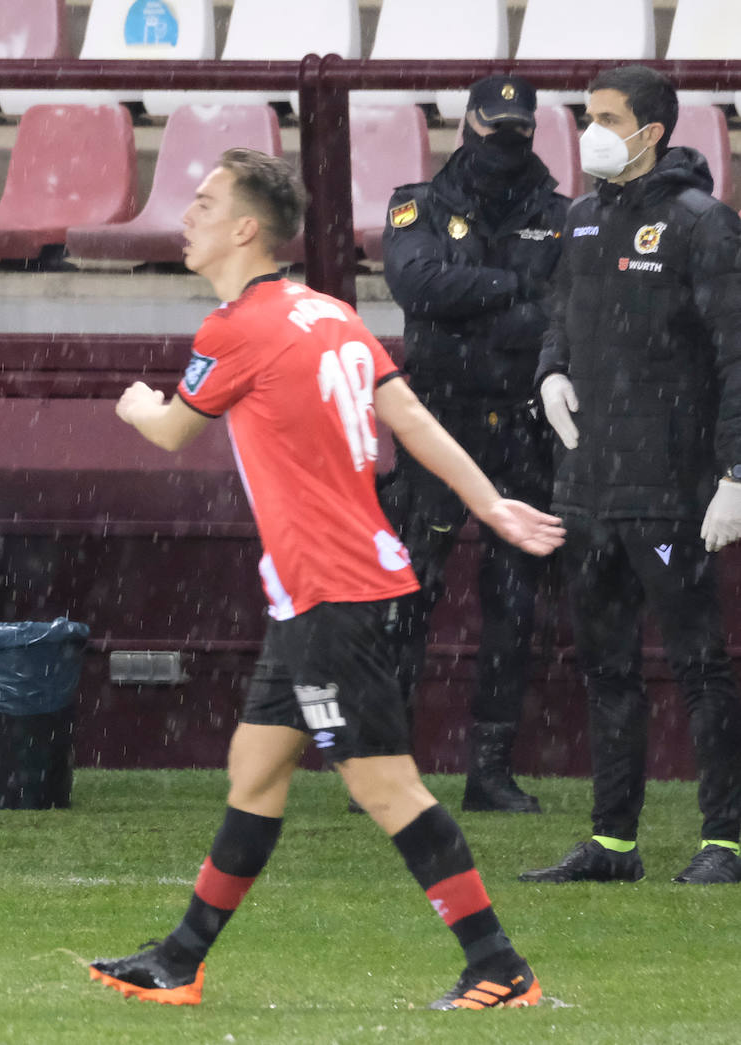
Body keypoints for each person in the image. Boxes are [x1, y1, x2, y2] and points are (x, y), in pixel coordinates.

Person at [88, 149, 564, 1008]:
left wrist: (130, 406)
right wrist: (491, 504)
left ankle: (499, 964)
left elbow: (168, 432)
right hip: (332, 584)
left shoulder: (235, 329)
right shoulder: (331, 311)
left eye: (202, 201)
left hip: (329, 590)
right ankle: (180, 958)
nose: (186, 214)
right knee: (255, 769)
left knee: (383, 786)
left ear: (245, 228)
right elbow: (410, 416)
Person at [522, 65, 741, 885]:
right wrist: (550, 372)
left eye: (607, 118)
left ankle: (726, 838)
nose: (590, 131)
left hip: (668, 491)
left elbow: (736, 356)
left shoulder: (703, 226)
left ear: (652, 133)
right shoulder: (580, 221)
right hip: (588, 492)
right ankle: (613, 840)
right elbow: (559, 317)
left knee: (699, 664)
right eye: (586, 116)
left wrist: (736, 472)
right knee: (606, 666)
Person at [381, 76, 569, 813]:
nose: (506, 142)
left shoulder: (560, 213)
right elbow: (417, 285)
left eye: (518, 130)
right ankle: (390, 764)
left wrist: (476, 293)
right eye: (495, 128)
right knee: (407, 591)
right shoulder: (416, 202)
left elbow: (559, 308)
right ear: (467, 125)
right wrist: (513, 289)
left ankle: (490, 769)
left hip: (522, 425)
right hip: (436, 421)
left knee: (514, 603)